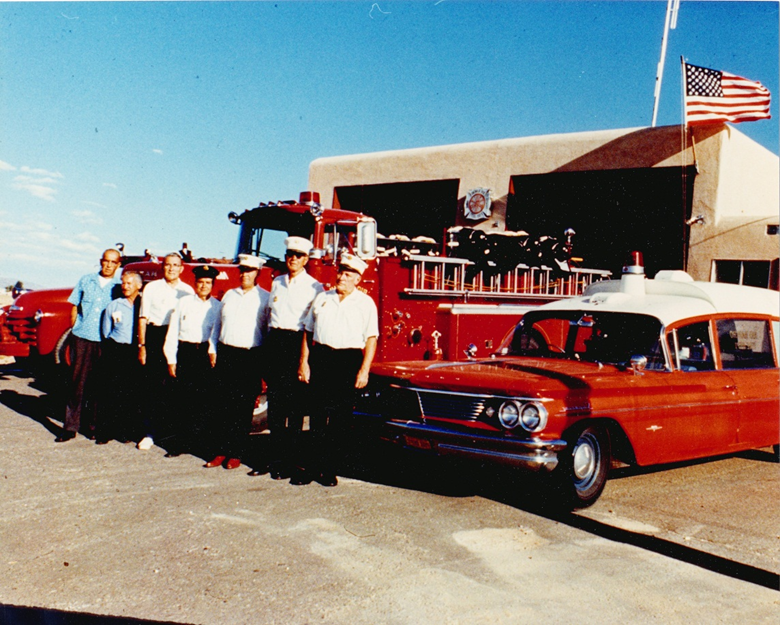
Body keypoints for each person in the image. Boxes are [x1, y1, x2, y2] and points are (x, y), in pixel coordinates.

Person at [299, 253, 378, 486]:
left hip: (347, 360)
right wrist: (304, 362)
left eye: (348, 275)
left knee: (339, 419)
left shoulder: (365, 303)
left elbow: (371, 339)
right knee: (316, 416)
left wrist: (364, 370)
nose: (341, 277)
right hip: (322, 358)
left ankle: (329, 469)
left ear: (357, 279)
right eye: (340, 273)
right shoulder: (322, 298)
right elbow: (308, 332)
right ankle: (311, 467)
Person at [253, 236, 324, 480]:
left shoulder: (314, 287)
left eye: (298, 256)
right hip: (276, 343)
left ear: (306, 259)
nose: (293, 259)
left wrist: (304, 360)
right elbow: (269, 317)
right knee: (275, 406)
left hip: (296, 343)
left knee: (294, 409)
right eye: (290, 255)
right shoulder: (277, 282)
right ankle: (273, 460)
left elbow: (310, 327)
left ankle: (291, 462)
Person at [205, 254, 270, 470]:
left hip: (249, 356)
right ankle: (220, 450)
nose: (245, 274)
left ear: (257, 273)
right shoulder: (229, 295)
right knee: (223, 405)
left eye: (249, 271)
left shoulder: (265, 298)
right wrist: (213, 349)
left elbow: (267, 331)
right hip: (227, 354)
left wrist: (262, 362)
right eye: (242, 270)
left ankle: (236, 452)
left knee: (242, 408)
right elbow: (217, 325)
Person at [57, 249, 122, 442]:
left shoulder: (119, 287)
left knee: (98, 385)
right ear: (101, 261)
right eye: (106, 261)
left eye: (113, 262)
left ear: (118, 265)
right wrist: (75, 328)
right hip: (82, 337)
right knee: (77, 383)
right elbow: (74, 306)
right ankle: (70, 427)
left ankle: (93, 426)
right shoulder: (86, 280)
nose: (108, 265)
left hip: (104, 340)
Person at [137, 253, 194, 451]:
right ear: (163, 267)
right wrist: (142, 346)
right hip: (155, 335)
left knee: (174, 386)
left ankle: (169, 433)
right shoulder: (152, 288)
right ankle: (149, 433)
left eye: (175, 265)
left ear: (182, 268)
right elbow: (143, 318)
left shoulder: (187, 291)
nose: (171, 268)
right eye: (168, 265)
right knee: (152, 387)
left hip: (177, 337)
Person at [162, 265, 222, 457]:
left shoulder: (217, 307)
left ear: (212, 285)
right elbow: (173, 331)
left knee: (203, 401)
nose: (204, 286)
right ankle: (180, 443)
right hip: (185, 353)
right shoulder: (184, 303)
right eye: (201, 282)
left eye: (208, 283)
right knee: (182, 400)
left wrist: (213, 352)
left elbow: (216, 333)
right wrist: (171, 359)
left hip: (204, 354)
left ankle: (199, 443)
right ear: (195, 283)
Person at [95, 271, 143, 444]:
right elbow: (106, 331)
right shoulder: (114, 305)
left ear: (139, 285)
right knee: (111, 391)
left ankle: (125, 431)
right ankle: (105, 431)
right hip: (117, 350)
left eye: (129, 283)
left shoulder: (144, 305)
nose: (125, 286)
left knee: (130, 392)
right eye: (123, 283)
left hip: (135, 350)